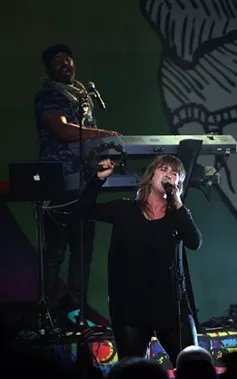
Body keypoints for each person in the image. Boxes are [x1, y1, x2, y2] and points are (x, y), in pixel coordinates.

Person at [77, 154, 202, 366]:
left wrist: (178, 201)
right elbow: (83, 210)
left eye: (175, 174)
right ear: (150, 175)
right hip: (131, 308)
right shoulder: (125, 210)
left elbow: (194, 241)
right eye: (164, 170)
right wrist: (98, 179)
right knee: (132, 370)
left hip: (171, 307)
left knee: (193, 366)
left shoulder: (176, 216)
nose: (169, 176)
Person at [34, 43, 120, 325]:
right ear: (49, 67)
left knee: (82, 253)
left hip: (84, 183)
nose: (65, 64)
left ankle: (77, 314)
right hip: (57, 183)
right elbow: (62, 130)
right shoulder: (47, 96)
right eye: (58, 60)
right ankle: (46, 314)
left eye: (68, 59)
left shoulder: (82, 97)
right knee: (55, 253)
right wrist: (105, 133)